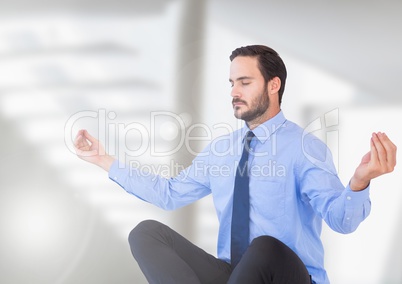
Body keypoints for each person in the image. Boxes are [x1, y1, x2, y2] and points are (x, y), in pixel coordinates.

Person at [74, 45, 397, 284]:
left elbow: (341, 219)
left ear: (274, 85)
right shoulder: (222, 150)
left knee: (265, 248)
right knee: (146, 233)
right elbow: (169, 194)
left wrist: (358, 183)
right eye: (231, 83)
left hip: (287, 276)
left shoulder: (304, 148)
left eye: (244, 82)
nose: (234, 92)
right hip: (235, 275)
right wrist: (104, 159)